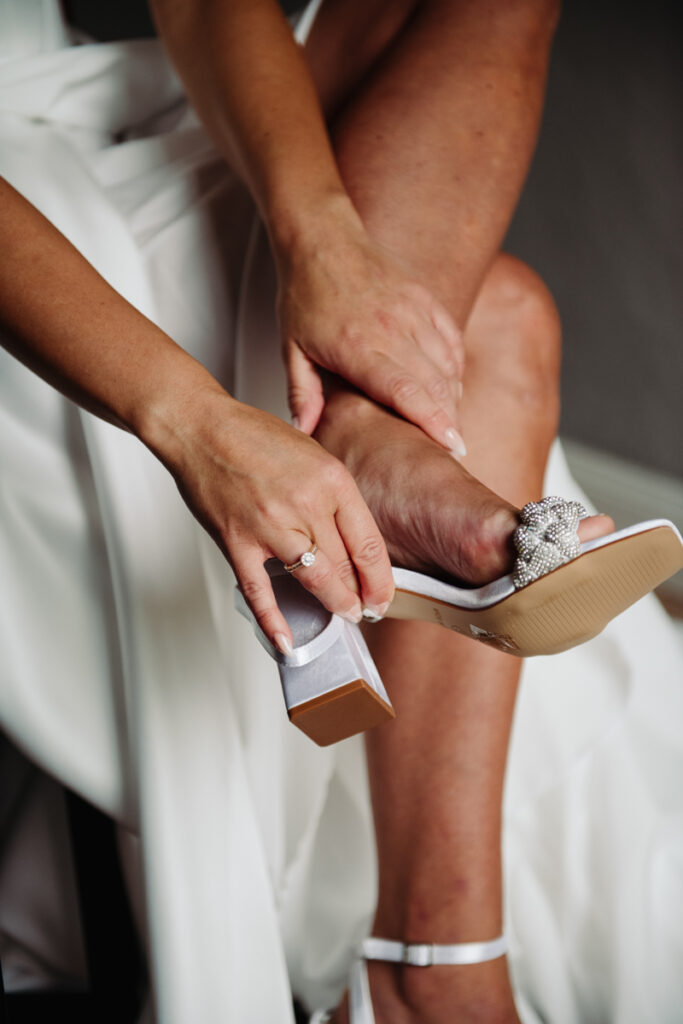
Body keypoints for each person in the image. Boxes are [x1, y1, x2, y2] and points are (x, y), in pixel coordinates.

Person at [1, 2, 681, 1022]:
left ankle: (361, 430)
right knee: (500, 315)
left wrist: (317, 236)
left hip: (91, 109)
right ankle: (430, 965)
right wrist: (198, 425)